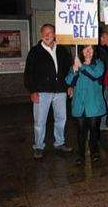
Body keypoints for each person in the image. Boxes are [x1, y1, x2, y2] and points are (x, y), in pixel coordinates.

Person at [24, 24, 73, 159]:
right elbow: (28, 73)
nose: (47, 35)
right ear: (41, 34)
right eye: (45, 33)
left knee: (61, 119)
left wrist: (70, 85)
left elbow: (69, 70)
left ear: (54, 34)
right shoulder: (35, 52)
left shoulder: (62, 50)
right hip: (41, 92)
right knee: (40, 121)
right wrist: (32, 90)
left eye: (50, 32)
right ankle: (39, 146)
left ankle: (60, 143)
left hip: (60, 91)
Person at [65, 45, 106, 165]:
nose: (88, 51)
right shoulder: (77, 64)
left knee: (94, 129)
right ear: (81, 51)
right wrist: (74, 69)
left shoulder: (99, 63)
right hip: (80, 103)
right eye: (85, 49)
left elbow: (95, 75)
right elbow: (68, 81)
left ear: (94, 51)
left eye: (91, 49)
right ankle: (81, 154)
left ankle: (94, 151)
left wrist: (82, 66)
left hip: (94, 103)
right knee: (81, 130)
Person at [98, 30, 108, 131]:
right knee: (104, 103)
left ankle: (101, 124)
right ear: (102, 38)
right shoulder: (100, 51)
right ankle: (100, 124)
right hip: (103, 82)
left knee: (107, 103)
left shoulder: (106, 50)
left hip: (107, 81)